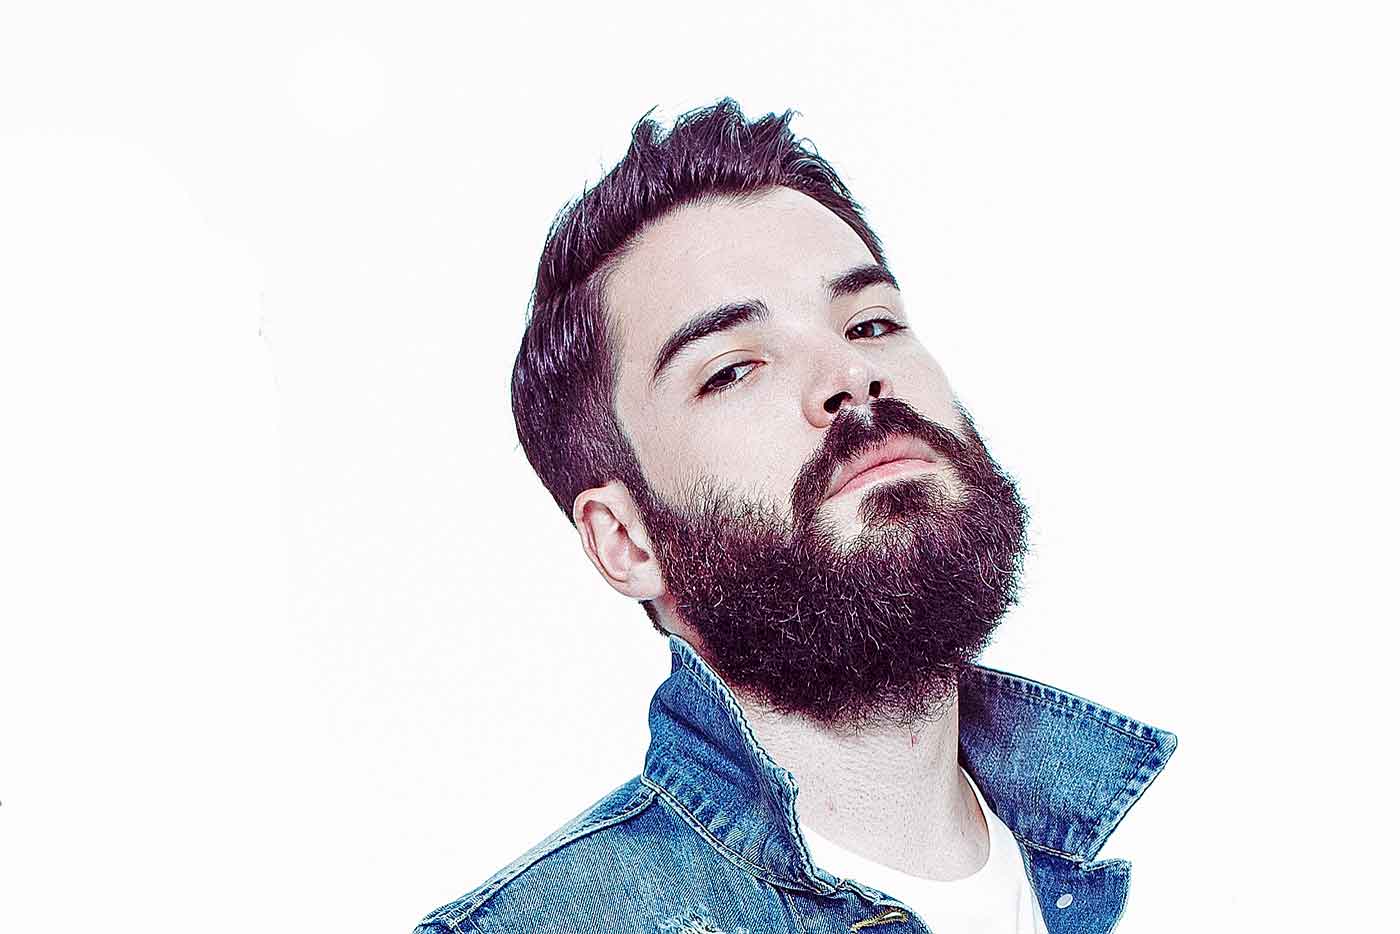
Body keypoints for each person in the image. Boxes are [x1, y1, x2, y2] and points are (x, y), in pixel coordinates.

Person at [412, 98, 1177, 934]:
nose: (850, 374)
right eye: (734, 369)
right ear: (626, 540)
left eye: (871, 323)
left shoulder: (1195, 848)